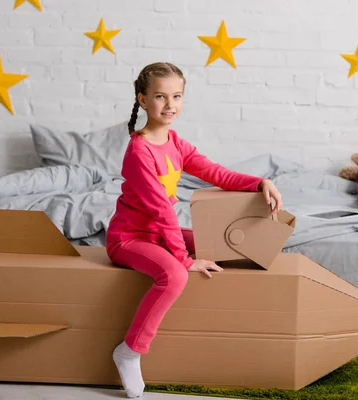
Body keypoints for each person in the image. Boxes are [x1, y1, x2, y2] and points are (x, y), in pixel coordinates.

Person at [105, 62, 282, 398]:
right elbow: (159, 209)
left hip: (158, 233)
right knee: (175, 275)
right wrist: (184, 259)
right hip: (129, 239)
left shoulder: (175, 143)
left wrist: (261, 181)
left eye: (176, 96)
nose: (170, 104)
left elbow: (217, 174)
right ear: (142, 100)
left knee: (217, 243)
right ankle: (129, 351)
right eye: (160, 96)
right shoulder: (139, 150)